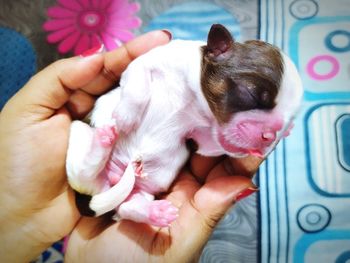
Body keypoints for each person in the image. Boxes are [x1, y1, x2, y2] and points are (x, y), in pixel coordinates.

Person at [0, 30, 261, 263]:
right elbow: (141, 68)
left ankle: (141, 209)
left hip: (140, 179)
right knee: (86, 159)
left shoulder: (204, 111)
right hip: (102, 166)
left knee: (130, 202)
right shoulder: (178, 60)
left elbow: (205, 144)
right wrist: (132, 103)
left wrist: (234, 143)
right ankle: (101, 153)